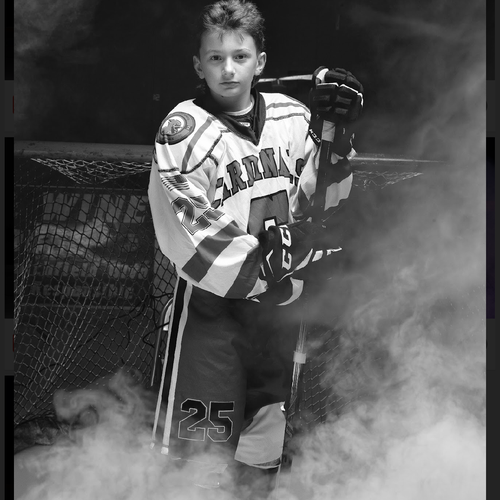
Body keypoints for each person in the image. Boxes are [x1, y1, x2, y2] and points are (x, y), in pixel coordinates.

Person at [147, 0, 363, 496]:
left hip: (278, 314)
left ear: (260, 62)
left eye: (240, 57)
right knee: (198, 468)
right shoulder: (182, 133)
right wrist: (286, 254)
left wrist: (336, 136)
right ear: (198, 65)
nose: (228, 69)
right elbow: (191, 238)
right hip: (212, 317)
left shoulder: (292, 115)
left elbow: (323, 202)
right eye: (216, 57)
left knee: (261, 458)